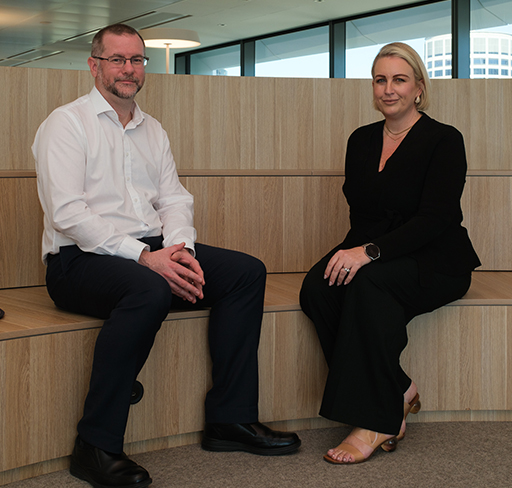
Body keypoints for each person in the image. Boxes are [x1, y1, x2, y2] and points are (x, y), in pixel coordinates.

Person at [33, 23, 300, 488]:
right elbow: (68, 214)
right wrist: (145, 257)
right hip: (78, 260)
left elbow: (174, 200)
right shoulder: (66, 123)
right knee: (148, 286)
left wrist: (181, 251)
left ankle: (230, 420)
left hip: (149, 252)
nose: (129, 69)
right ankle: (94, 444)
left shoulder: (151, 129)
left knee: (245, 273)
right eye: (117, 59)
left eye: (137, 59)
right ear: (94, 66)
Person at [299, 42, 480, 465]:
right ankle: (396, 388)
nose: (388, 89)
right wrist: (351, 253)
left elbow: (436, 219)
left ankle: (378, 420)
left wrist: (368, 253)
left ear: (418, 87)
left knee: (369, 284)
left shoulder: (443, 139)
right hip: (377, 248)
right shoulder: (361, 140)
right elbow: (360, 213)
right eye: (381, 80)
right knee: (318, 287)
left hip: (437, 259)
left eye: (399, 79)